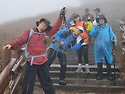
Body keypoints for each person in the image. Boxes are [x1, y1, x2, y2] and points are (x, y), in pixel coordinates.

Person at [2, 7, 66, 94]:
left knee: (47, 82)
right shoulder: (30, 32)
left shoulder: (46, 34)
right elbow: (20, 40)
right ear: (39, 23)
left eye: (46, 25)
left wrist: (61, 16)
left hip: (43, 62)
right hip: (31, 62)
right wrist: (11, 45)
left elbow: (55, 27)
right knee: (28, 83)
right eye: (43, 23)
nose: (44, 25)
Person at [90, 14, 117, 80]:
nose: (101, 21)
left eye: (102, 20)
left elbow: (112, 35)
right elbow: (92, 34)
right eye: (100, 20)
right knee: (99, 62)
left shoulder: (108, 28)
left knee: (108, 61)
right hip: (98, 48)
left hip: (107, 48)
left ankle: (109, 75)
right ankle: (100, 75)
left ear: (105, 20)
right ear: (98, 21)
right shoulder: (96, 27)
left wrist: (114, 40)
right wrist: (95, 27)